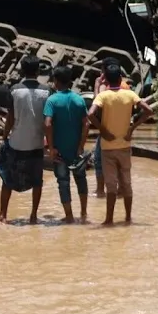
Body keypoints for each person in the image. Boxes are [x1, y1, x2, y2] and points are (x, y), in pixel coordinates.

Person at [87, 63, 154, 226]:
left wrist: (102, 130)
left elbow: (90, 114)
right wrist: (132, 128)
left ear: (107, 81)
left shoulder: (102, 96)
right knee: (127, 183)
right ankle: (128, 218)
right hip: (124, 145)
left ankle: (109, 219)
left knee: (111, 185)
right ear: (120, 79)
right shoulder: (130, 94)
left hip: (107, 147)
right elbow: (149, 111)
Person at [0, 56, 48, 224]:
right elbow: (48, 120)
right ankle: (33, 215)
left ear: (22, 70)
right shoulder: (47, 91)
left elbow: (10, 118)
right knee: (37, 180)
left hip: (16, 142)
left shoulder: (14, 90)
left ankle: (2, 215)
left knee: (7, 178)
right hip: (36, 142)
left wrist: (5, 135)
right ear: (38, 71)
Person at [44, 66, 90, 224]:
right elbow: (86, 124)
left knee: (63, 183)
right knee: (81, 180)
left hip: (59, 153)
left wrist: (51, 148)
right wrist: (81, 145)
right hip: (77, 152)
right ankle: (83, 214)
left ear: (56, 81)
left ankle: (69, 216)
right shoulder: (79, 99)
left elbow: (48, 124)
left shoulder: (52, 100)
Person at [91, 56, 131, 199]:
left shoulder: (105, 86)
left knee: (99, 160)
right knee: (120, 162)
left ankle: (100, 190)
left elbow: (98, 107)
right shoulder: (126, 86)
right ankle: (121, 190)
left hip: (107, 130)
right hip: (123, 131)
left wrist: (97, 86)